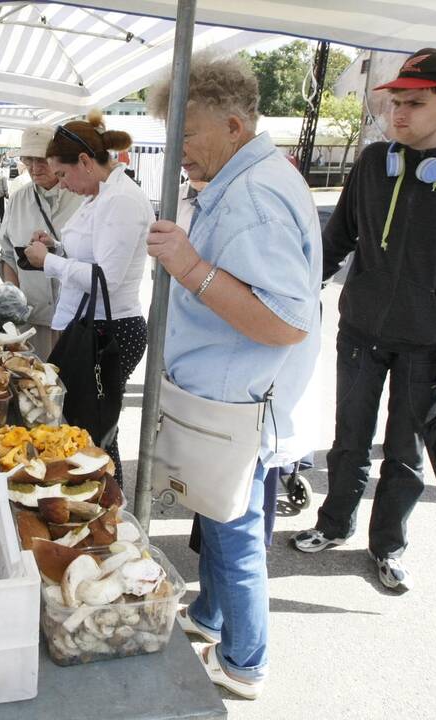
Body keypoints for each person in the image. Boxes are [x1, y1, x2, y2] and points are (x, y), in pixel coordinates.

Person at [293, 49, 436, 591]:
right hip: (361, 331)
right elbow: (339, 235)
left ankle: (388, 545)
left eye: (414, 103)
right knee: (348, 437)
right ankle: (333, 523)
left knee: (405, 449)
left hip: (428, 341)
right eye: (394, 102)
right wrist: (300, 288)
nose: (398, 113)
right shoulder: (374, 161)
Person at [146, 57, 322, 700]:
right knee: (222, 517)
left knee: (237, 532)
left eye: (186, 136)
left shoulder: (253, 196)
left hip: (240, 404)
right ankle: (211, 617)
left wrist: (190, 269)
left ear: (233, 124)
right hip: (233, 398)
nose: (178, 153)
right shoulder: (249, 178)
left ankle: (245, 662)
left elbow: (284, 321)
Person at [23, 110, 152, 482]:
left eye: (62, 174)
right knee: (85, 427)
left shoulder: (122, 200)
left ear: (84, 161)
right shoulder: (102, 196)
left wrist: (49, 262)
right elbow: (92, 255)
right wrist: (59, 249)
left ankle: (111, 507)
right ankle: (99, 503)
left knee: (96, 431)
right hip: (88, 325)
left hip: (110, 330)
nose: (61, 184)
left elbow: (104, 279)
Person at [0, 125, 85, 358]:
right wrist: (14, 298)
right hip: (32, 319)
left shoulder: (82, 196)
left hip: (77, 319)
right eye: (28, 160)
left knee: (73, 387)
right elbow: (7, 255)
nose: (34, 168)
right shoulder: (17, 200)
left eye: (42, 160)